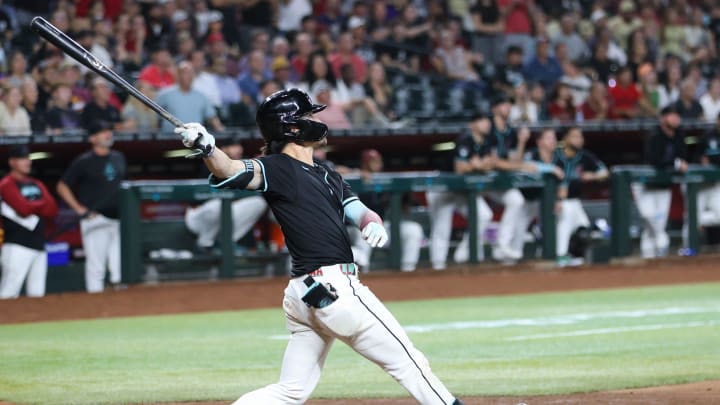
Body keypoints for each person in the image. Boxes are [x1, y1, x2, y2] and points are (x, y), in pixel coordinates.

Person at [174, 88, 465, 405]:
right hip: (331, 286)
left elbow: (359, 211)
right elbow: (229, 169)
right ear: (293, 127)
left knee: (291, 391)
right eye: (309, 115)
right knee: (409, 363)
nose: (317, 120)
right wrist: (207, 148)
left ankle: (325, 306)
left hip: (302, 294)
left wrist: (372, 223)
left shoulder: (328, 173)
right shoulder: (277, 167)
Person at [56, 120, 127, 293]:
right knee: (97, 266)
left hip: (119, 217)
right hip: (95, 217)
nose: (108, 134)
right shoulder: (84, 161)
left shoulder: (118, 157)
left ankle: (120, 306)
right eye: (103, 132)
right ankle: (94, 305)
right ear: (92, 138)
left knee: (119, 265)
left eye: (108, 130)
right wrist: (79, 209)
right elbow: (62, 186)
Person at [427, 113, 495, 270]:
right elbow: (460, 168)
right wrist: (476, 166)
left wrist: (479, 165)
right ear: (472, 125)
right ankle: (438, 266)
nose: (486, 123)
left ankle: (463, 252)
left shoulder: (485, 143)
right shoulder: (465, 140)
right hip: (442, 189)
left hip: (460, 192)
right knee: (442, 227)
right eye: (481, 120)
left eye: (487, 120)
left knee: (484, 215)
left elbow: (490, 164)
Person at [185, 138, 268, 253]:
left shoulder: (243, 166)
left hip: (226, 215)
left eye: (239, 145)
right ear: (222, 149)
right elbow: (201, 198)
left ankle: (226, 243)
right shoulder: (210, 164)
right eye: (234, 146)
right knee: (218, 204)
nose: (239, 149)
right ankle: (204, 244)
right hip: (199, 218)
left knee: (258, 203)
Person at [350, 149, 425, 272]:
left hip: (383, 226)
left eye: (379, 161)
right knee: (364, 234)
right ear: (364, 163)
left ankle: (408, 271)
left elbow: (408, 206)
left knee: (413, 230)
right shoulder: (355, 180)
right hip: (357, 228)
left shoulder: (387, 180)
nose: (377, 163)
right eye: (373, 161)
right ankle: (363, 274)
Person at [0, 145, 58, 298]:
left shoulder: (36, 183)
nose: (27, 162)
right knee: (8, 292)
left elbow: (52, 209)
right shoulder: (6, 184)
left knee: (37, 294)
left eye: (27, 158)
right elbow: (23, 209)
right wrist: (40, 204)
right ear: (12, 162)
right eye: (22, 159)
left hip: (39, 244)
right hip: (17, 245)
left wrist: (32, 206)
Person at [632, 106, 687, 258]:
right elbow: (654, 160)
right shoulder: (654, 136)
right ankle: (663, 241)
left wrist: (677, 163)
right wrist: (676, 164)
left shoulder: (679, 136)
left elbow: (684, 156)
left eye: (678, 116)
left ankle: (650, 259)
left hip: (663, 186)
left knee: (656, 225)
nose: (676, 119)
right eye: (672, 115)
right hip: (645, 185)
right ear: (663, 119)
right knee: (648, 216)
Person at [485, 95, 535, 263]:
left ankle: (502, 245)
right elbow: (493, 162)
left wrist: (521, 142)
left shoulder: (510, 131)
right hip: (480, 179)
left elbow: (515, 160)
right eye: (504, 104)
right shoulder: (487, 128)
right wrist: (521, 166)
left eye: (509, 105)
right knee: (481, 214)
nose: (508, 108)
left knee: (516, 200)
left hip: (498, 181)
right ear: (494, 108)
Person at [553, 127, 609, 265]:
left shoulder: (585, 156)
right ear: (565, 138)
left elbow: (605, 172)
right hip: (556, 201)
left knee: (584, 230)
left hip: (575, 201)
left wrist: (593, 175)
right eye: (575, 136)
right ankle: (560, 256)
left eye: (580, 137)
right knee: (564, 222)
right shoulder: (555, 155)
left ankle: (574, 257)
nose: (579, 140)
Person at [156, 61, 224, 133]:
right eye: (185, 73)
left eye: (191, 73)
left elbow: (212, 117)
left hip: (194, 139)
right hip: (169, 138)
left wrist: (220, 129)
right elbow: (154, 118)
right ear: (178, 75)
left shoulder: (201, 96)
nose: (189, 76)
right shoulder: (165, 94)